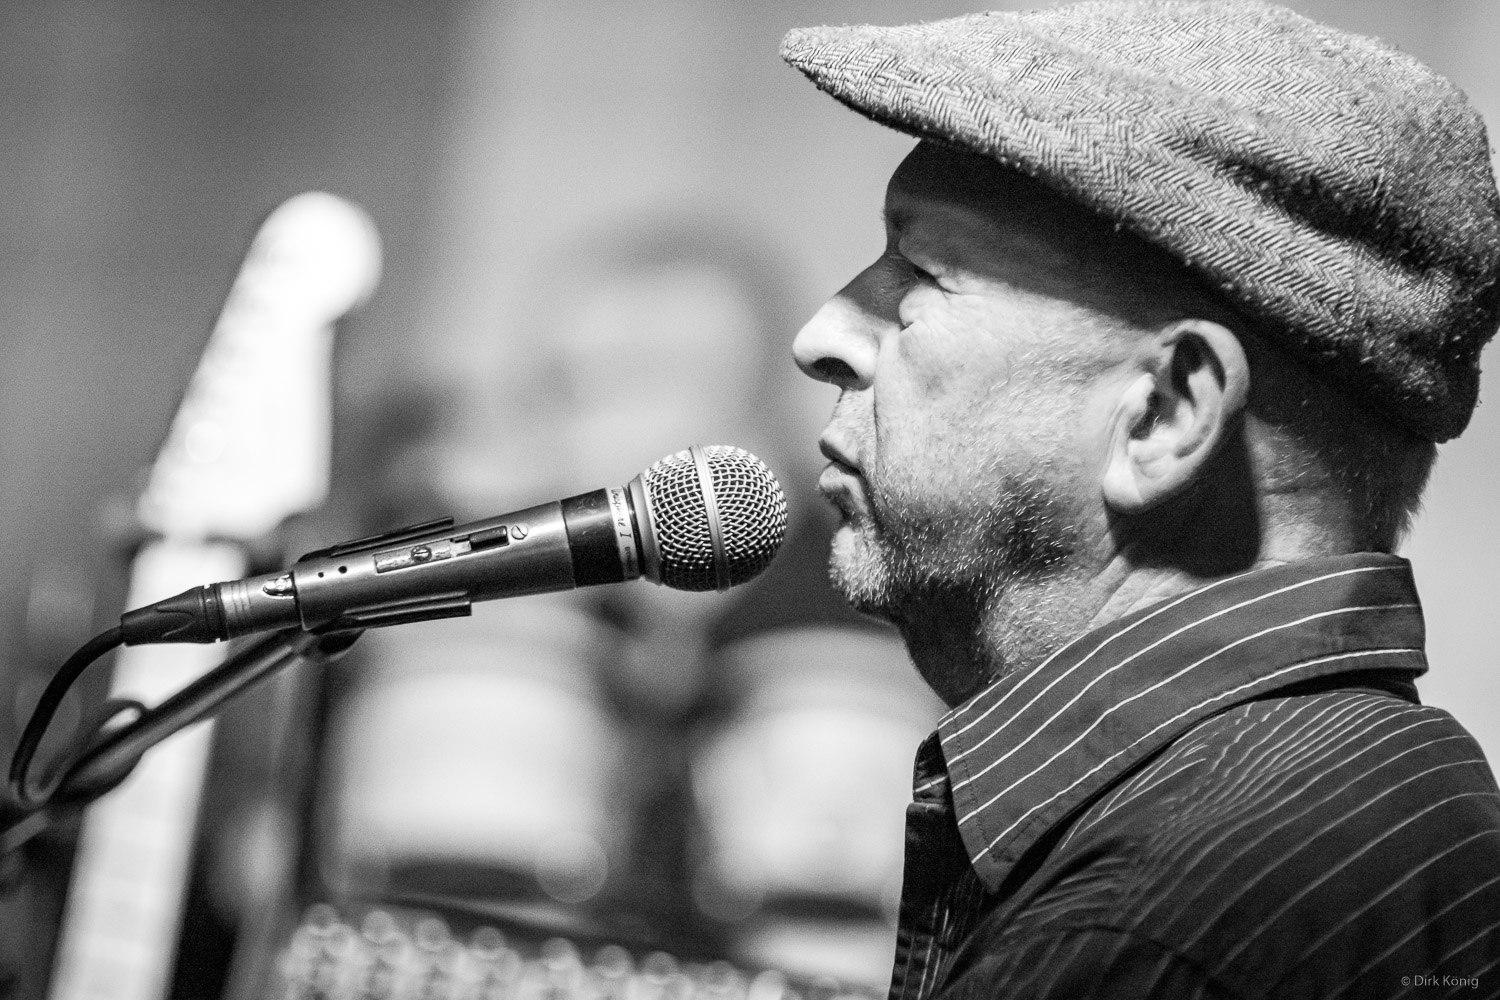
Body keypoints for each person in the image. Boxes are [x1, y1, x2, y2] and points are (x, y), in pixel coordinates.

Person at [780, 2, 1500, 998]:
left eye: (923, 275)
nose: (821, 335)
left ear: (1164, 413)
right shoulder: (1378, 793)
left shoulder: (1154, 923)